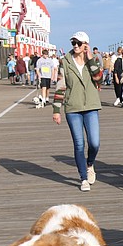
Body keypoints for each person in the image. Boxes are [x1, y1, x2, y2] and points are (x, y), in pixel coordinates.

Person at [51, 31, 104, 192]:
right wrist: (56, 110)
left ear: (85, 45)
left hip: (91, 106)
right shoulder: (65, 61)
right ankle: (83, 178)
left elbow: (99, 79)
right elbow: (61, 85)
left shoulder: (92, 61)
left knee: (94, 143)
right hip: (72, 107)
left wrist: (89, 59)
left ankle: (90, 164)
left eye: (78, 43)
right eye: (73, 43)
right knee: (79, 144)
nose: (75, 46)